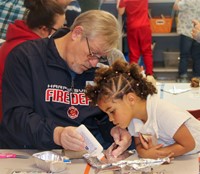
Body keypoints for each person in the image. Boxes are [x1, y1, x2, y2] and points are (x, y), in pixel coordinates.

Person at [0, 10, 132, 157]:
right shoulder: (26, 58)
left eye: (100, 57)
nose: (94, 62)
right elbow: (15, 117)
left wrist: (114, 130)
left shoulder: (98, 70)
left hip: (86, 158)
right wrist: (57, 134)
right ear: (77, 33)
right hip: (32, 155)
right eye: (92, 53)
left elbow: (103, 115)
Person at [85, 59, 200, 159]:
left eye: (112, 111)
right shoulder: (134, 117)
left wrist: (156, 154)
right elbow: (139, 145)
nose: (110, 119)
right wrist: (145, 153)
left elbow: (188, 144)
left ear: (130, 99)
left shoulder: (163, 112)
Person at [0, 0, 65, 121]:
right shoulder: (29, 53)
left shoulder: (15, 40)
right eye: (59, 30)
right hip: (8, 119)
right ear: (43, 29)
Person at [116, 0, 154, 76]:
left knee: (134, 54)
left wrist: (118, 2)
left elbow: (121, 12)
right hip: (145, 26)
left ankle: (133, 75)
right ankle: (150, 75)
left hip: (132, 27)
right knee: (147, 52)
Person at [173, 0, 200, 82]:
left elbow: (175, 6)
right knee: (197, 57)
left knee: (184, 56)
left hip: (186, 32)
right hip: (198, 32)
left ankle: (183, 76)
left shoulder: (186, 1)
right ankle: (197, 77)